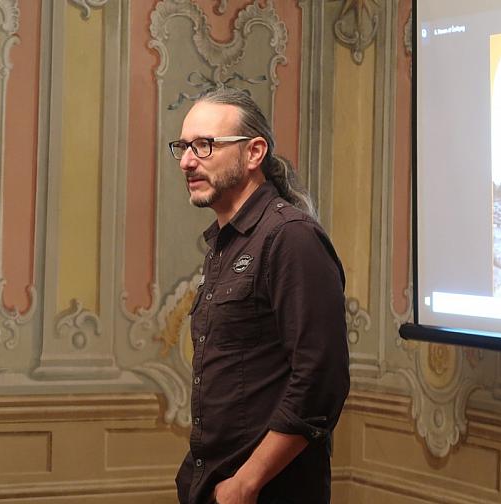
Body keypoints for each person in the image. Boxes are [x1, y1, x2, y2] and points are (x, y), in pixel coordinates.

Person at [170, 88, 350, 504]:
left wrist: (247, 483)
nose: (186, 161)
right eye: (183, 146)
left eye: (204, 145)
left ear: (254, 153)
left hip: (267, 492)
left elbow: (321, 382)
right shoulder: (226, 243)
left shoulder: (291, 237)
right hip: (212, 482)